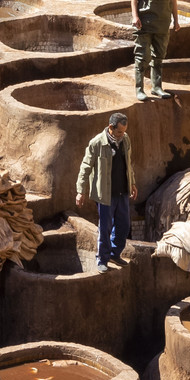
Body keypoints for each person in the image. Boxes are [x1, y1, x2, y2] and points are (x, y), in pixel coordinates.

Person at [74, 108, 135, 271]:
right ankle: (102, 259)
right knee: (105, 227)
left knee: (124, 225)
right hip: (105, 194)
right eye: (120, 131)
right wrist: (81, 190)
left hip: (122, 192)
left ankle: (115, 254)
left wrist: (132, 183)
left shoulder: (125, 140)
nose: (122, 134)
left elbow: (129, 164)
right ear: (111, 127)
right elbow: (85, 167)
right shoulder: (97, 143)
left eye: (124, 131)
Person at [131, 0, 178, 98]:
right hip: (145, 19)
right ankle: (139, 89)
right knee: (142, 56)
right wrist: (135, 16)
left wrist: (176, 20)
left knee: (159, 56)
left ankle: (156, 87)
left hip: (163, 20)